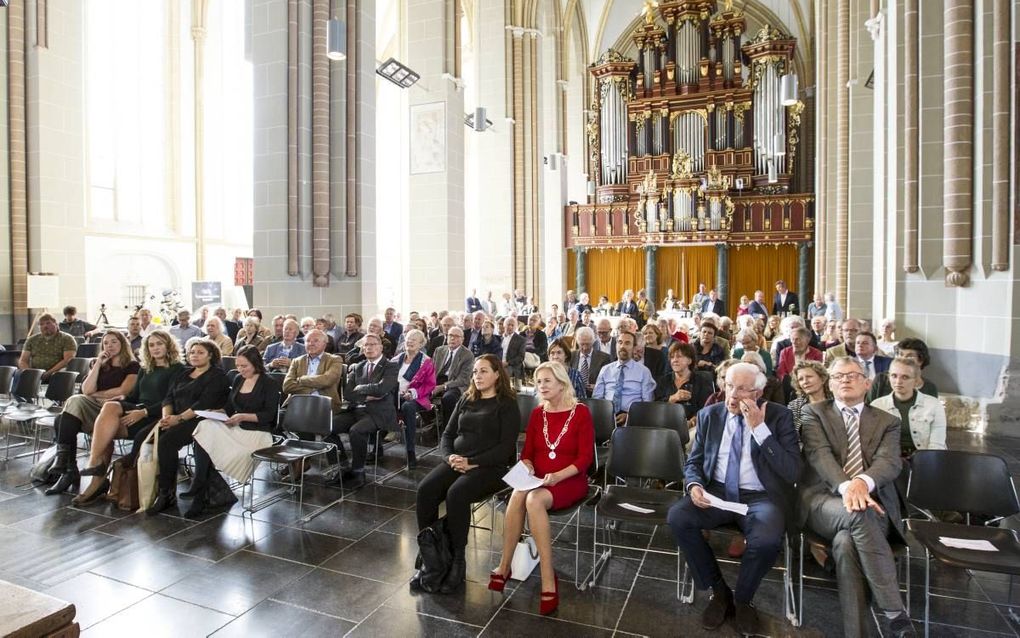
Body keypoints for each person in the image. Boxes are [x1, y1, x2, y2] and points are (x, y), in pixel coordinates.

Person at [667, 362, 801, 635]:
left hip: (760, 496)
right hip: (716, 492)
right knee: (678, 517)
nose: (732, 394)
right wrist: (694, 486)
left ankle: (743, 598)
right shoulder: (709, 415)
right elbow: (694, 462)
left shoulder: (779, 416)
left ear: (758, 392)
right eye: (729, 386)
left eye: (742, 389)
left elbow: (792, 471)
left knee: (766, 541)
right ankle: (719, 591)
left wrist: (760, 430)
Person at [799, 358, 914, 638]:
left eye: (853, 375)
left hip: (875, 508)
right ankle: (894, 611)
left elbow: (889, 462)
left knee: (846, 542)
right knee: (857, 513)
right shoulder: (814, 413)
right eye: (838, 376)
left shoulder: (888, 421)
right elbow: (819, 455)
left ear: (867, 383)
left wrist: (863, 482)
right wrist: (849, 487)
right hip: (823, 502)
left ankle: (857, 633)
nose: (845, 380)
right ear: (830, 383)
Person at [489, 361, 593, 615]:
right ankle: (505, 565)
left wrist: (558, 476)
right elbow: (528, 453)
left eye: (547, 380)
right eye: (538, 382)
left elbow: (585, 459)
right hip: (540, 479)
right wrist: (527, 465)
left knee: (533, 500)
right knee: (518, 492)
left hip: (570, 480)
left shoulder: (580, 413)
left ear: (561, 383)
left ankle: (548, 576)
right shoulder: (538, 414)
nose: (542, 386)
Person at [413, 354, 519, 594]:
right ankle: (432, 557)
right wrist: (450, 457)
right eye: (474, 372)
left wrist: (473, 462)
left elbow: (505, 448)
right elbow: (447, 435)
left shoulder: (507, 404)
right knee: (425, 490)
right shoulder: (466, 398)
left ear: (496, 375)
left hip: (491, 466)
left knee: (456, 494)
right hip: (458, 461)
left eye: (483, 371)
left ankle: (458, 561)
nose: (477, 376)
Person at [73, 331, 184, 505]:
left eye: (159, 344)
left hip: (156, 415)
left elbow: (172, 400)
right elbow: (134, 396)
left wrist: (144, 412)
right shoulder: (146, 368)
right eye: (151, 345)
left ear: (168, 345)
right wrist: (123, 399)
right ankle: (96, 472)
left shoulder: (178, 369)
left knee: (103, 431)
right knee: (109, 412)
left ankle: (96, 476)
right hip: (136, 411)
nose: (155, 348)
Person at [186, 346, 281, 518]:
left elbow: (269, 416)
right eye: (238, 365)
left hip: (257, 433)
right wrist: (218, 412)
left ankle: (199, 488)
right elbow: (230, 407)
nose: (240, 369)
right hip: (236, 427)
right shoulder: (238, 379)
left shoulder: (269, 383)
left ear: (255, 364)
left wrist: (243, 416)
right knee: (204, 426)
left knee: (209, 450)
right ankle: (200, 484)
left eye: (244, 366)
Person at [44, 330, 140, 496]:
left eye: (114, 342)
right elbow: (86, 389)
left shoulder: (132, 365)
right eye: (106, 343)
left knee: (73, 404)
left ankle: (67, 467)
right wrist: (97, 365)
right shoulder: (99, 363)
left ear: (122, 344)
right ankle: (69, 469)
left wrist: (95, 395)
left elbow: (124, 390)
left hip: (113, 409)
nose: (109, 346)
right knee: (62, 419)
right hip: (92, 406)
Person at [146, 339, 231, 515]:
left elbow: (203, 403)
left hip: (201, 420)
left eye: (200, 352)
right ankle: (147, 489)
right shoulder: (183, 373)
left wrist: (178, 419)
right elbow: (168, 398)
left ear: (210, 355)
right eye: (192, 352)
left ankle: (166, 493)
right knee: (144, 437)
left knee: (167, 442)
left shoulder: (218, 376)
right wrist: (166, 418)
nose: (195, 355)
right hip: (175, 418)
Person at [330, 333, 399, 488]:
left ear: (381, 347)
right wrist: (366, 397)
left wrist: (361, 388)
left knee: (356, 431)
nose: (369, 348)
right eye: (366, 345)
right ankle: (343, 466)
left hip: (379, 412)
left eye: (373, 344)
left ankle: (358, 472)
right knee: (327, 426)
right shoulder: (358, 366)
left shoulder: (391, 366)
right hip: (357, 410)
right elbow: (348, 393)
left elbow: (382, 389)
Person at [871, 357, 946, 457]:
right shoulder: (877, 405)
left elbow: (936, 446)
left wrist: (925, 463)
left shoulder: (934, 405)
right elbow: (873, 443)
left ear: (916, 381)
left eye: (905, 377)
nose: (898, 381)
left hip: (924, 459)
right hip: (889, 460)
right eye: (894, 376)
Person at [392, 329, 436, 469]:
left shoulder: (426, 362)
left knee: (407, 407)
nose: (409, 341)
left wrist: (412, 392)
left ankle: (410, 451)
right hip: (394, 396)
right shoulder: (396, 359)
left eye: (414, 339)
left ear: (421, 344)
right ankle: (376, 448)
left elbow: (430, 385)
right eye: (408, 338)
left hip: (417, 398)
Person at [592, 331, 655, 424]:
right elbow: (597, 399)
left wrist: (629, 415)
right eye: (620, 342)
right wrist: (605, 414)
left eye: (627, 343)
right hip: (606, 417)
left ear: (634, 348)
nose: (622, 346)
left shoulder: (644, 372)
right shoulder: (605, 370)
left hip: (633, 419)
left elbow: (647, 404)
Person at [282, 330, 344, 413]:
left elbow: (327, 380)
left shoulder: (335, 360)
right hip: (299, 404)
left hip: (324, 404)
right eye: (308, 341)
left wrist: (302, 380)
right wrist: (312, 389)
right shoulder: (297, 361)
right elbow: (287, 386)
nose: (311, 343)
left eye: (316, 340)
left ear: (324, 344)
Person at [653, 341, 712, 420]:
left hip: (693, 425)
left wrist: (694, 420)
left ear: (689, 361)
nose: (674, 360)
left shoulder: (702, 381)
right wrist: (673, 398)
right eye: (672, 357)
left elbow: (706, 407)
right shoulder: (663, 380)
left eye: (679, 356)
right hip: (666, 423)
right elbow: (655, 406)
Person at [867, 338, 938, 402]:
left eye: (910, 356)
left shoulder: (930, 388)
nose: (903, 359)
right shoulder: (881, 379)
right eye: (900, 354)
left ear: (921, 360)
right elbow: (867, 408)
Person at [431, 327, 474, 427]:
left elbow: (463, 379)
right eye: (450, 335)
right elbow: (432, 371)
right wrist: (429, 385)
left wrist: (442, 387)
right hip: (437, 381)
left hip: (455, 384)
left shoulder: (467, 355)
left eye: (456, 336)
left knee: (448, 398)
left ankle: (447, 431)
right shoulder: (439, 350)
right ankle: (434, 423)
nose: (453, 338)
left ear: (462, 339)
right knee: (420, 394)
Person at [20, 313, 77, 382]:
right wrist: (31, 373)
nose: (45, 326)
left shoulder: (67, 338)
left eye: (48, 323)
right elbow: (23, 360)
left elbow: (67, 360)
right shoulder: (32, 339)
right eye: (41, 324)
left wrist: (48, 373)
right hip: (35, 373)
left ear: (56, 324)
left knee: (63, 372)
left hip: (58, 371)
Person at [787, 360, 831, 437]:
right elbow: (793, 437)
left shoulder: (837, 401)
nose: (805, 382)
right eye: (801, 379)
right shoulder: (794, 406)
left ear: (822, 378)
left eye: (809, 377)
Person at [570, 327, 609, 396]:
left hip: (594, 396)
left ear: (593, 342)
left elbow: (608, 381)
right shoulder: (571, 356)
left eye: (587, 344)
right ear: (578, 342)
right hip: (574, 395)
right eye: (582, 344)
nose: (585, 348)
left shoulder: (604, 358)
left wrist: (597, 387)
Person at [500, 316, 526, 383]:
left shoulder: (521, 340)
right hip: (498, 363)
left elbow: (521, 357)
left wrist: (507, 363)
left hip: (511, 365)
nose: (510, 327)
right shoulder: (498, 338)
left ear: (516, 327)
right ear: (504, 325)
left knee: (505, 371)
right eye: (508, 324)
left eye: (512, 325)